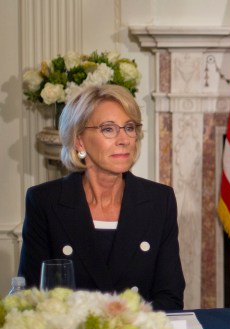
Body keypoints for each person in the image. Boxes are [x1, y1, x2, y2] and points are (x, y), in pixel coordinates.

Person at [18, 85, 185, 310]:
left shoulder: (159, 201)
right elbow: (31, 297)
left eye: (129, 127)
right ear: (79, 141)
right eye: (108, 129)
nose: (124, 139)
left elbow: (170, 297)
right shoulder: (45, 201)